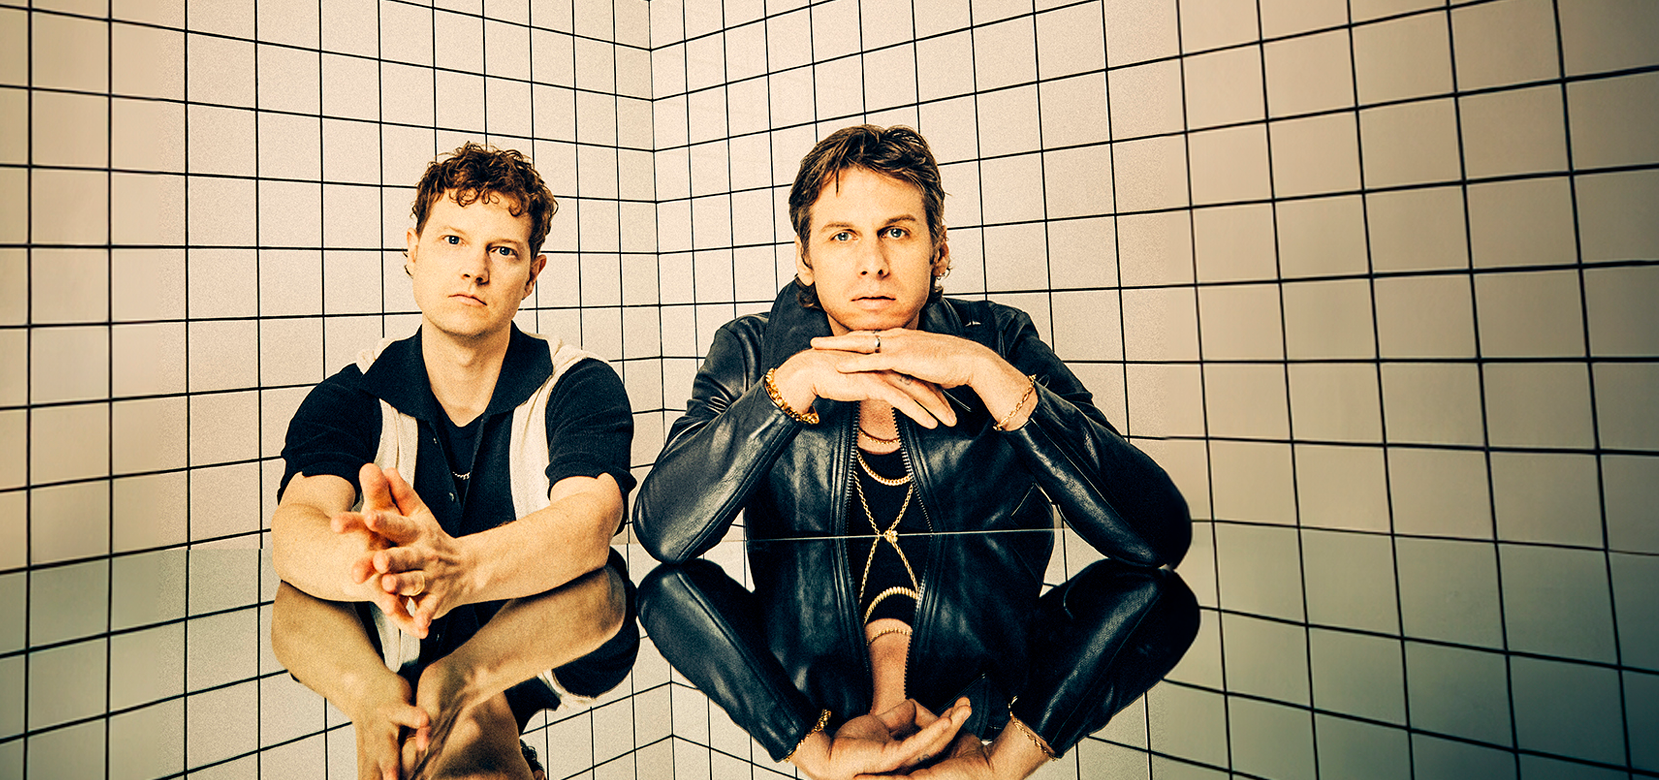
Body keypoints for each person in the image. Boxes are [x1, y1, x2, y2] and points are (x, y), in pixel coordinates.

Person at [633, 125, 1199, 779]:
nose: (872, 262)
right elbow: (664, 539)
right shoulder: (753, 352)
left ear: (939, 251)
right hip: (859, 693)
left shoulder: (1001, 341)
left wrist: (987, 374)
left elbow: (1155, 541)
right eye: (842, 235)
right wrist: (790, 388)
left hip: (975, 678)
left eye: (897, 232)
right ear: (805, 260)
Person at [270, 143, 638, 780]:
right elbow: (296, 534)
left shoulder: (577, 383)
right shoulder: (351, 395)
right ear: (411, 252)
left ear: (532, 275)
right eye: (452, 240)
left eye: (503, 250)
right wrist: (383, 580)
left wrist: (456, 569)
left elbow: (591, 522)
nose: (475, 269)